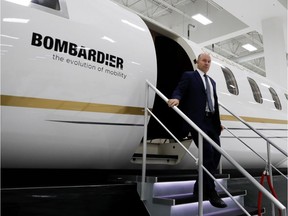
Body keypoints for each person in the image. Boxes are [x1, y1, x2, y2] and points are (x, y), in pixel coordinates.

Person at [167, 53, 227, 208]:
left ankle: (199, 187)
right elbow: (180, 89)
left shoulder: (212, 82)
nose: (206, 63)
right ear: (197, 62)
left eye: (209, 61)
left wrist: (218, 122)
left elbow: (214, 102)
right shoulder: (189, 76)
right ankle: (211, 192)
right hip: (197, 122)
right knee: (207, 153)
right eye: (204, 61)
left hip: (211, 123)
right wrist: (176, 98)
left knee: (216, 154)